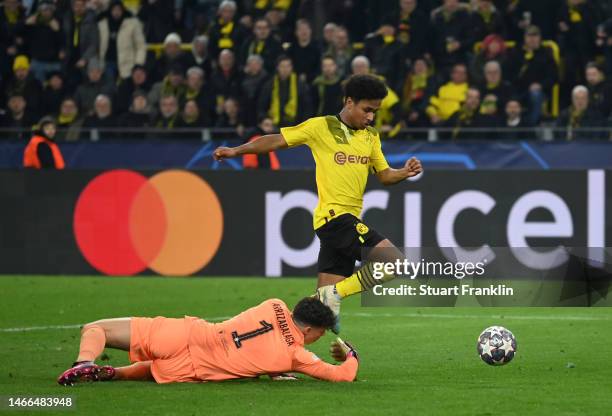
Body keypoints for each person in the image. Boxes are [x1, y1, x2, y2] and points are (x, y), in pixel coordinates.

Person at [214, 75, 423, 332]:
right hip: (334, 218)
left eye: (375, 112)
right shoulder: (321, 127)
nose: (371, 118)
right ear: (349, 102)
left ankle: (275, 348)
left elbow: (384, 175)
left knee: (316, 318)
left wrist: (404, 172)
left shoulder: (371, 137)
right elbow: (276, 140)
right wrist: (237, 151)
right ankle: (333, 294)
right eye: (367, 110)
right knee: (395, 262)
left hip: (342, 224)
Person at [57, 297, 358, 385]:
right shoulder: (294, 355)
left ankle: (85, 362)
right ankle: (116, 374)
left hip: (187, 334)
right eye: (321, 333)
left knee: (96, 329)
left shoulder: (274, 304)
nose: (319, 339)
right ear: (309, 331)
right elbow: (342, 376)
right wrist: (350, 355)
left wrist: (273, 368)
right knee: (156, 369)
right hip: (192, 370)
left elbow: (270, 332)